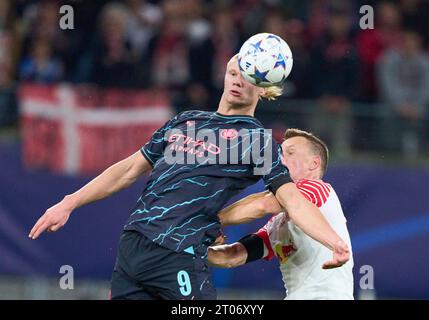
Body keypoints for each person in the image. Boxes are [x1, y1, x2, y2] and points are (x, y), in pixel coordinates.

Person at [29, 55, 349, 300]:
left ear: (263, 88)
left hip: (177, 254)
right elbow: (127, 170)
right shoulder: (185, 121)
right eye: (233, 72)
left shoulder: (258, 140)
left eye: (248, 76)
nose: (237, 81)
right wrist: (69, 202)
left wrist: (334, 241)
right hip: (132, 247)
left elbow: (285, 198)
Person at [209, 128, 354, 299]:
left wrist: (207, 222)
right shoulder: (278, 224)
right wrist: (191, 246)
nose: (280, 160)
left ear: (313, 164)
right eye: (279, 154)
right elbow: (231, 256)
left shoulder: (316, 188)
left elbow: (263, 204)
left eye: (290, 153)